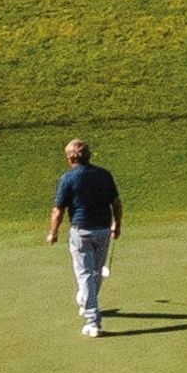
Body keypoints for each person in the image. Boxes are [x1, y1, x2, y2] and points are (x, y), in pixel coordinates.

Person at [47, 135, 123, 338]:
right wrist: (117, 224)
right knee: (95, 272)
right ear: (89, 156)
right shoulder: (104, 175)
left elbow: (58, 210)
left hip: (81, 232)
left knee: (86, 275)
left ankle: (92, 321)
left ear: (71, 159)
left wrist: (53, 232)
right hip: (103, 230)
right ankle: (86, 302)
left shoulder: (67, 179)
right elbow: (116, 203)